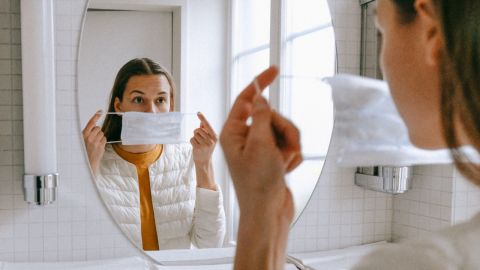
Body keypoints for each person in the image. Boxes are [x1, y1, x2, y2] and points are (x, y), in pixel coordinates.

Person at [220, 0, 480, 269]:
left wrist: (256, 215)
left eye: (381, 30)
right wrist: (266, 212)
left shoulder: (421, 263)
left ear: (431, 34)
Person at [82, 58, 225, 251]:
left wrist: (204, 165)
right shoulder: (95, 159)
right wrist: (86, 166)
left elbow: (210, 244)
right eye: (139, 99)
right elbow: (80, 239)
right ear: (119, 106)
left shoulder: (188, 159)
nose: (151, 112)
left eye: (160, 100)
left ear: (170, 106)